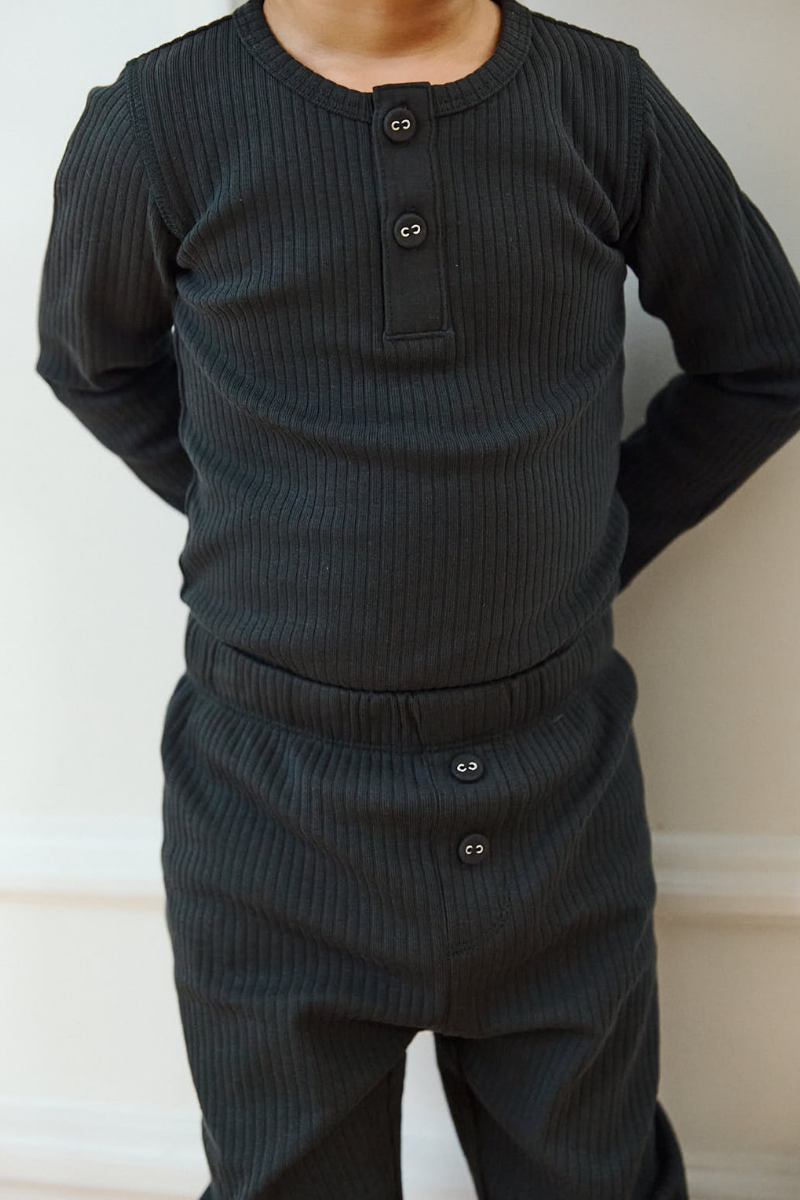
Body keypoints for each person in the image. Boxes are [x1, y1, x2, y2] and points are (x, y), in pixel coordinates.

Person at [34, 0, 800, 1197]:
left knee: (592, 1175)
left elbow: (764, 358)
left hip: (556, 797)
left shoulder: (601, 101)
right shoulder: (159, 119)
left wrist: (590, 538)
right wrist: (264, 521)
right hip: (270, 809)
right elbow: (94, 363)